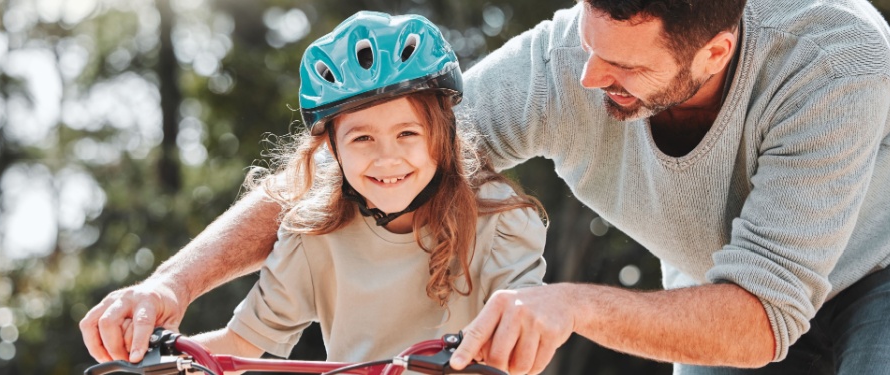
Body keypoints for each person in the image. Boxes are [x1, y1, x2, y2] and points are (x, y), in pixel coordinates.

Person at [83, 0, 890, 373]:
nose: (588, 80)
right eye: (589, 45)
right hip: (725, 281)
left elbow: (764, 316)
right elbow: (368, 173)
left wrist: (567, 304)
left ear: (714, 52)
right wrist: (174, 283)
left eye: (623, 66)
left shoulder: (835, 58)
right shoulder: (565, 62)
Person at [83, 11, 549, 364]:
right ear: (331, 148)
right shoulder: (313, 236)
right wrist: (158, 361)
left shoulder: (501, 222)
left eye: (408, 133)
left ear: (443, 135)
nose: (387, 158)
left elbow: (522, 346)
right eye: (362, 138)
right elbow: (240, 345)